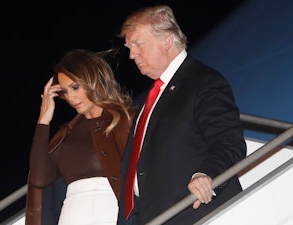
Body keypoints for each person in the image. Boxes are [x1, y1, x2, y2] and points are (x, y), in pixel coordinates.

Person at [116, 5, 247, 225]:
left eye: (138, 44)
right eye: (129, 47)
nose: (131, 55)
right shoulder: (149, 101)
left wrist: (207, 175)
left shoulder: (203, 82)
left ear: (167, 40)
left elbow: (229, 140)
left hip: (196, 214)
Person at [25, 49, 138, 225]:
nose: (70, 97)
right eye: (64, 91)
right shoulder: (66, 133)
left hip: (110, 216)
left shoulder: (128, 120)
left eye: (75, 87)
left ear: (93, 79)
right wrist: (43, 119)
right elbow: (39, 178)